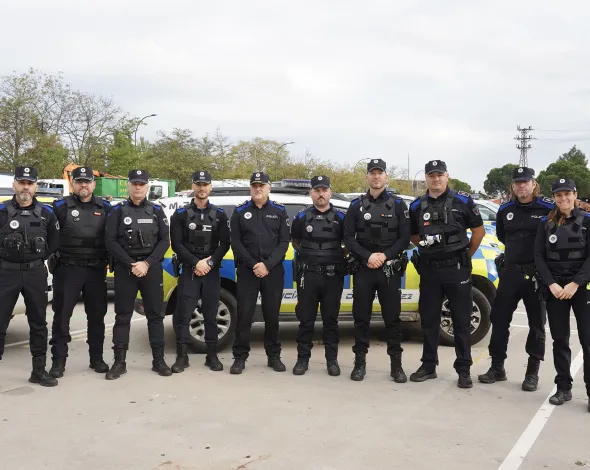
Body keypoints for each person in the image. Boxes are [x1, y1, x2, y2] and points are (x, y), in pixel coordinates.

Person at [408, 160, 485, 388]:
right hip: (430, 270)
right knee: (429, 321)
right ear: (426, 178)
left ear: (447, 176)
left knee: (461, 321)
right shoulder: (416, 206)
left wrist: (465, 255)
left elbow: (478, 232)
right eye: (431, 175)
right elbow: (413, 235)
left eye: (440, 175)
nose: (436, 179)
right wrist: (428, 243)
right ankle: (429, 366)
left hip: (456, 269)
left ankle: (463, 369)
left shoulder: (463, 201)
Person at [478, 167, 553, 390]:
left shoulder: (548, 208)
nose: (521, 186)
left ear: (533, 184)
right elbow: (503, 236)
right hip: (510, 272)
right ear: (513, 186)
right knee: (499, 320)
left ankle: (532, 372)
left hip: (536, 275)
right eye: (517, 182)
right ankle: (497, 368)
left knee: (537, 324)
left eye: (525, 182)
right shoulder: (506, 209)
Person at [343, 159, 411, 382]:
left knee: (392, 319)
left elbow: (404, 238)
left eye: (379, 173)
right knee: (360, 318)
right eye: (372, 173)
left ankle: (396, 366)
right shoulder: (356, 206)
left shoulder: (399, 205)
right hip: (364, 269)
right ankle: (359, 364)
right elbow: (348, 238)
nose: (376, 177)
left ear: (386, 177)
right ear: (367, 177)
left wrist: (385, 256)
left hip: (389, 270)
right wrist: (368, 256)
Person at [104, 169, 171, 380]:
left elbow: (164, 241)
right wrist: (132, 264)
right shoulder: (117, 211)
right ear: (128, 185)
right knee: (122, 316)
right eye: (135, 183)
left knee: (155, 316)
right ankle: (119, 362)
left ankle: (158, 361)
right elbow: (110, 241)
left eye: (142, 184)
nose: (138, 187)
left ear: (147, 187)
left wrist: (147, 263)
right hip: (127, 269)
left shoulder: (156, 211)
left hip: (150, 269)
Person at [48, 166, 112, 378]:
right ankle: (58, 361)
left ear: (93, 184)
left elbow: (114, 237)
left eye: (87, 181)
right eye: (79, 181)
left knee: (96, 316)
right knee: (62, 317)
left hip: (95, 270)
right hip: (68, 269)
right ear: (72, 184)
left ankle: (96, 358)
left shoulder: (106, 208)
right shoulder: (59, 207)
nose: (83, 185)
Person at [0, 166, 59, 386]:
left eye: (30, 183)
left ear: (35, 186)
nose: (26, 187)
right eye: (22, 182)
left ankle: (39, 371)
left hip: (35, 272)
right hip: (6, 272)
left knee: (38, 323)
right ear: (14, 184)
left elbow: (54, 242)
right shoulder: (2, 211)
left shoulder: (46, 213)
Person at [534, 178, 590, 411]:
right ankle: (563, 387)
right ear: (554, 198)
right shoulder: (546, 224)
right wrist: (552, 285)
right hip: (556, 290)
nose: (563, 199)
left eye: (567, 194)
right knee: (560, 340)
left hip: (581, 289)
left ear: (575, 195)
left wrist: (575, 284)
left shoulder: (587, 221)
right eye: (559, 195)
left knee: (588, 342)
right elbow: (538, 256)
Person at [229, 172, 290, 374]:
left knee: (272, 315)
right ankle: (239, 357)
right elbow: (235, 242)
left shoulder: (280, 211)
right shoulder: (240, 211)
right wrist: (254, 264)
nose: (258, 188)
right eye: (254, 185)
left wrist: (267, 265)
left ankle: (274, 356)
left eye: (261, 185)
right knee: (244, 315)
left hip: (272, 271)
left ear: (268, 188)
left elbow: (283, 242)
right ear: (250, 188)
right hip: (248, 271)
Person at [169, 170, 230, 373]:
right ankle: (182, 356)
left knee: (210, 315)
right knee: (184, 315)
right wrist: (196, 262)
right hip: (190, 270)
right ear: (193, 186)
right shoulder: (180, 214)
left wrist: (210, 263)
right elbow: (177, 243)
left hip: (211, 271)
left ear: (210, 187)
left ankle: (212, 356)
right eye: (198, 184)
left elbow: (225, 243)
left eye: (205, 184)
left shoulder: (220, 215)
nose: (202, 188)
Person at [291, 175, 347, 376]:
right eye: (317, 190)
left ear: (330, 192)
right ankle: (302, 360)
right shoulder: (301, 217)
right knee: (306, 320)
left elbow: (348, 243)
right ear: (311, 193)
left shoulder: (341, 218)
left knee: (330, 321)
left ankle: (332, 361)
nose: (321, 194)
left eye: (324, 190)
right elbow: (295, 242)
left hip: (333, 277)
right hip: (309, 276)